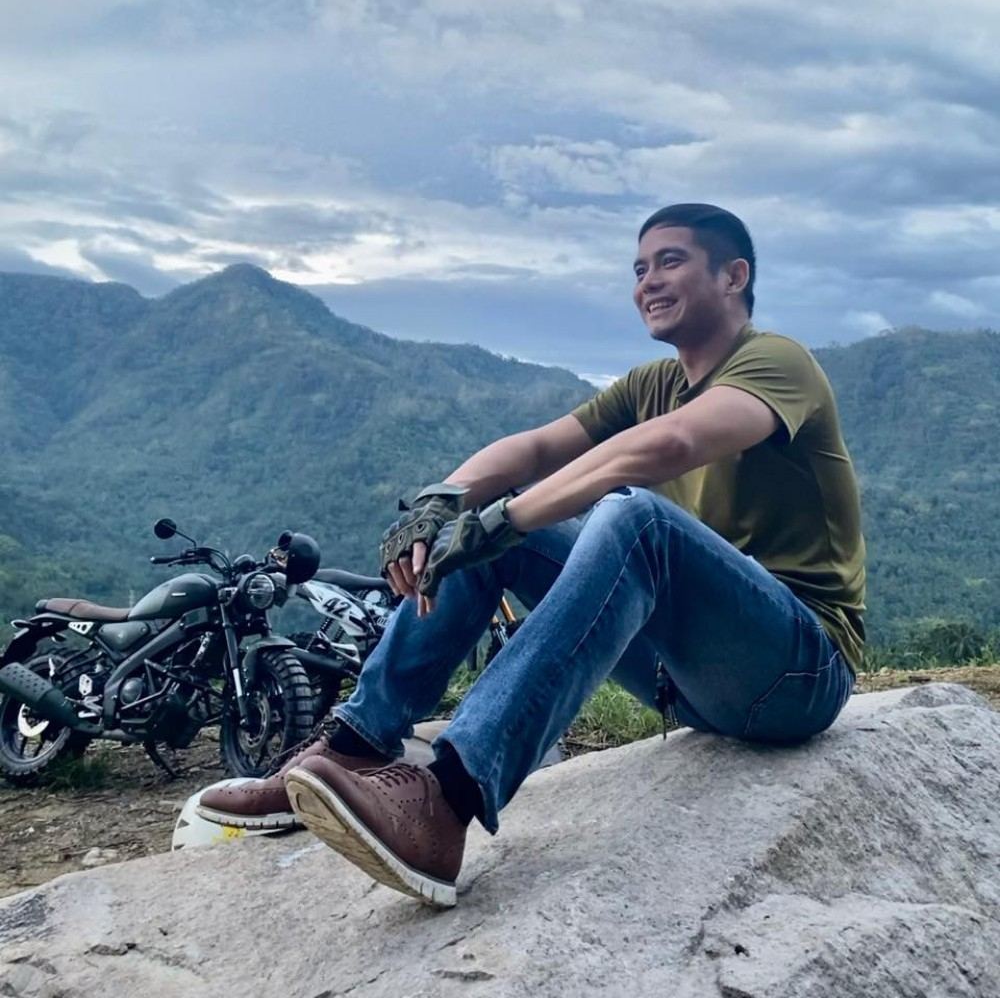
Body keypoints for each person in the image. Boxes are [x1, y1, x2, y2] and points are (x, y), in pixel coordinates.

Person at [198, 203, 865, 908]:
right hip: (689, 678)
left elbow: (669, 445)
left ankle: (446, 801)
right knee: (490, 539)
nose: (647, 282)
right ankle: (354, 747)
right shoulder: (652, 385)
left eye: (670, 261)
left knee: (631, 515)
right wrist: (442, 503)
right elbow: (539, 447)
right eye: (639, 268)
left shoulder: (778, 362)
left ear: (734, 276)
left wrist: (504, 519)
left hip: (799, 670)